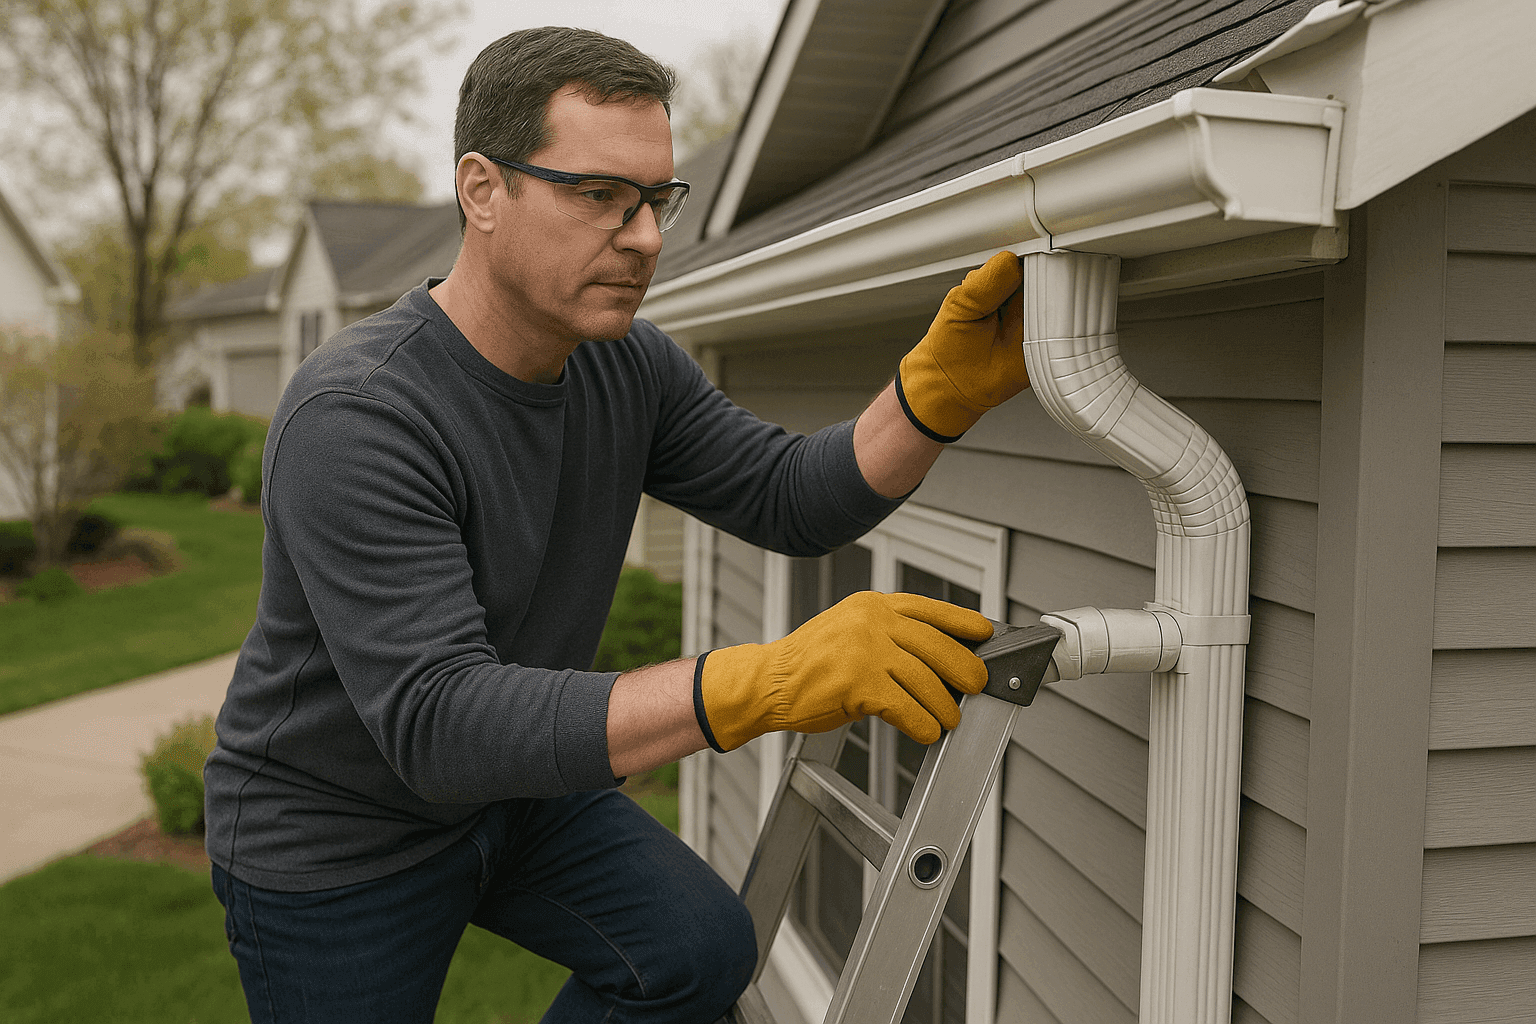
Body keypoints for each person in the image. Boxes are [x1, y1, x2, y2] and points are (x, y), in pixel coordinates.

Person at [204, 25, 1030, 1024]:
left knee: (696, 949)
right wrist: (765, 681)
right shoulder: (360, 414)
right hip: (334, 834)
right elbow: (440, 721)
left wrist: (933, 396)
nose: (644, 236)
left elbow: (788, 495)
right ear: (482, 191)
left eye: (655, 200)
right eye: (600, 195)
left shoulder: (625, 365)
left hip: (513, 797)